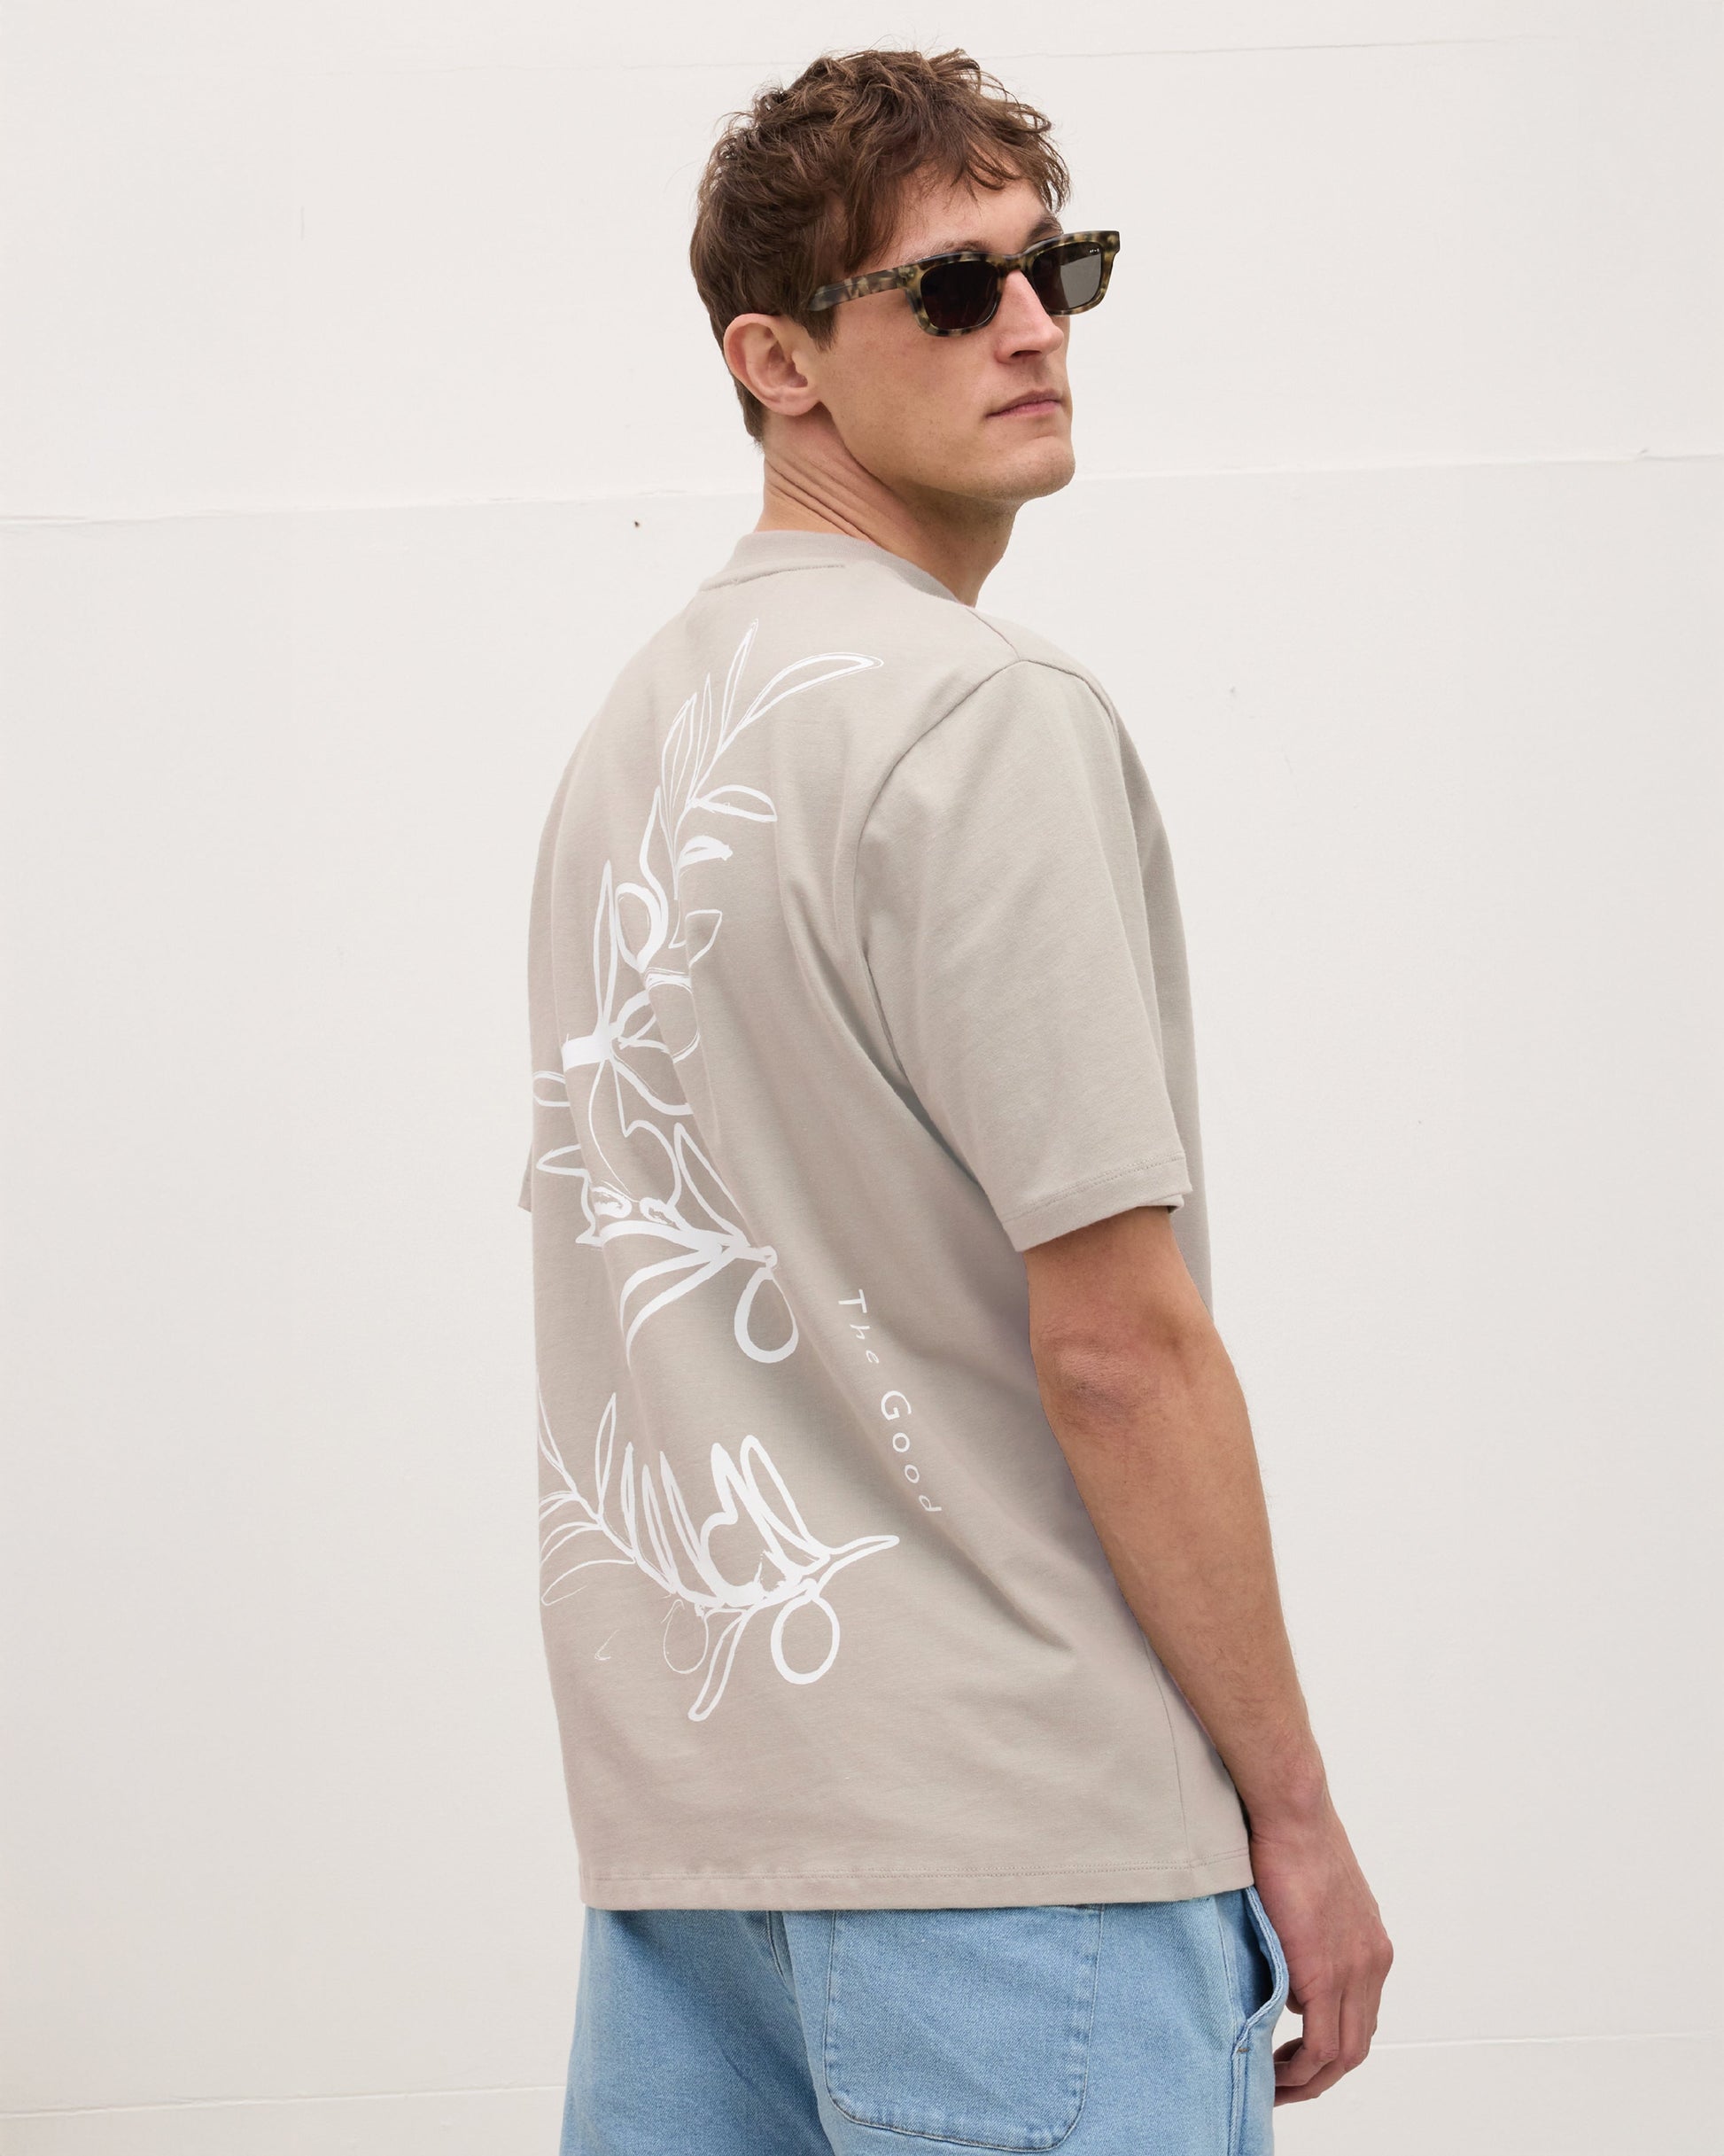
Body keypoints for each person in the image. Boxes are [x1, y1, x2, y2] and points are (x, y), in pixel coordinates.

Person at [520, 44, 1391, 2156]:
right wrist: (1292, 1811)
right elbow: (1115, 1343)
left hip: (694, 1859)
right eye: (947, 286)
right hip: (1020, 1864)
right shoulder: (978, 719)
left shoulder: (632, 741)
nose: (1029, 326)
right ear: (775, 362)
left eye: (1051, 267)